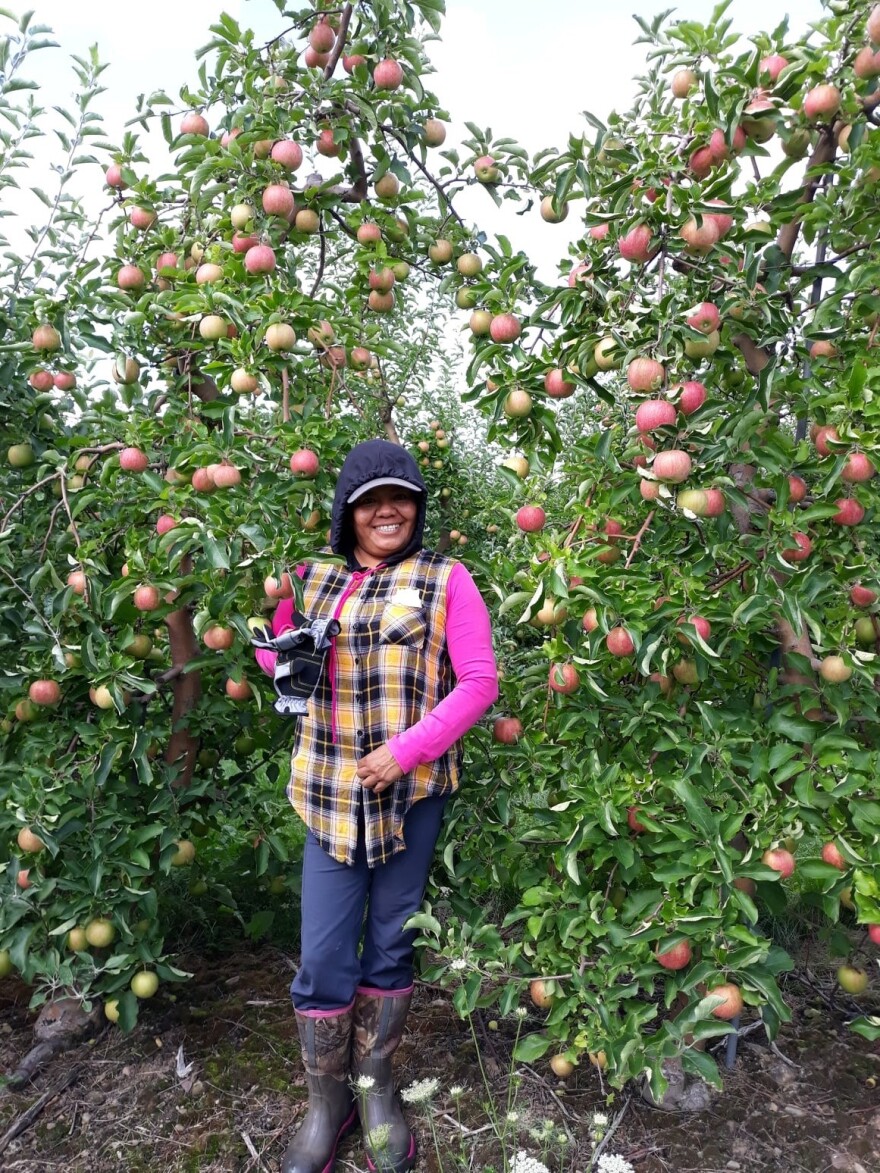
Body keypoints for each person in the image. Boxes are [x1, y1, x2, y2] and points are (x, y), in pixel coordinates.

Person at [254, 438, 498, 1173]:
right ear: (348, 511)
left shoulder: (446, 578)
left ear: (416, 508)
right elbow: (272, 650)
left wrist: (408, 748)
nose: (387, 509)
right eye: (371, 499)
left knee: (392, 942)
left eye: (400, 497)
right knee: (325, 953)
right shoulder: (310, 577)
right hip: (328, 796)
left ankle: (377, 1087)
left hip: (410, 795)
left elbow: (479, 681)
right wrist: (280, 656)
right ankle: (328, 1108)